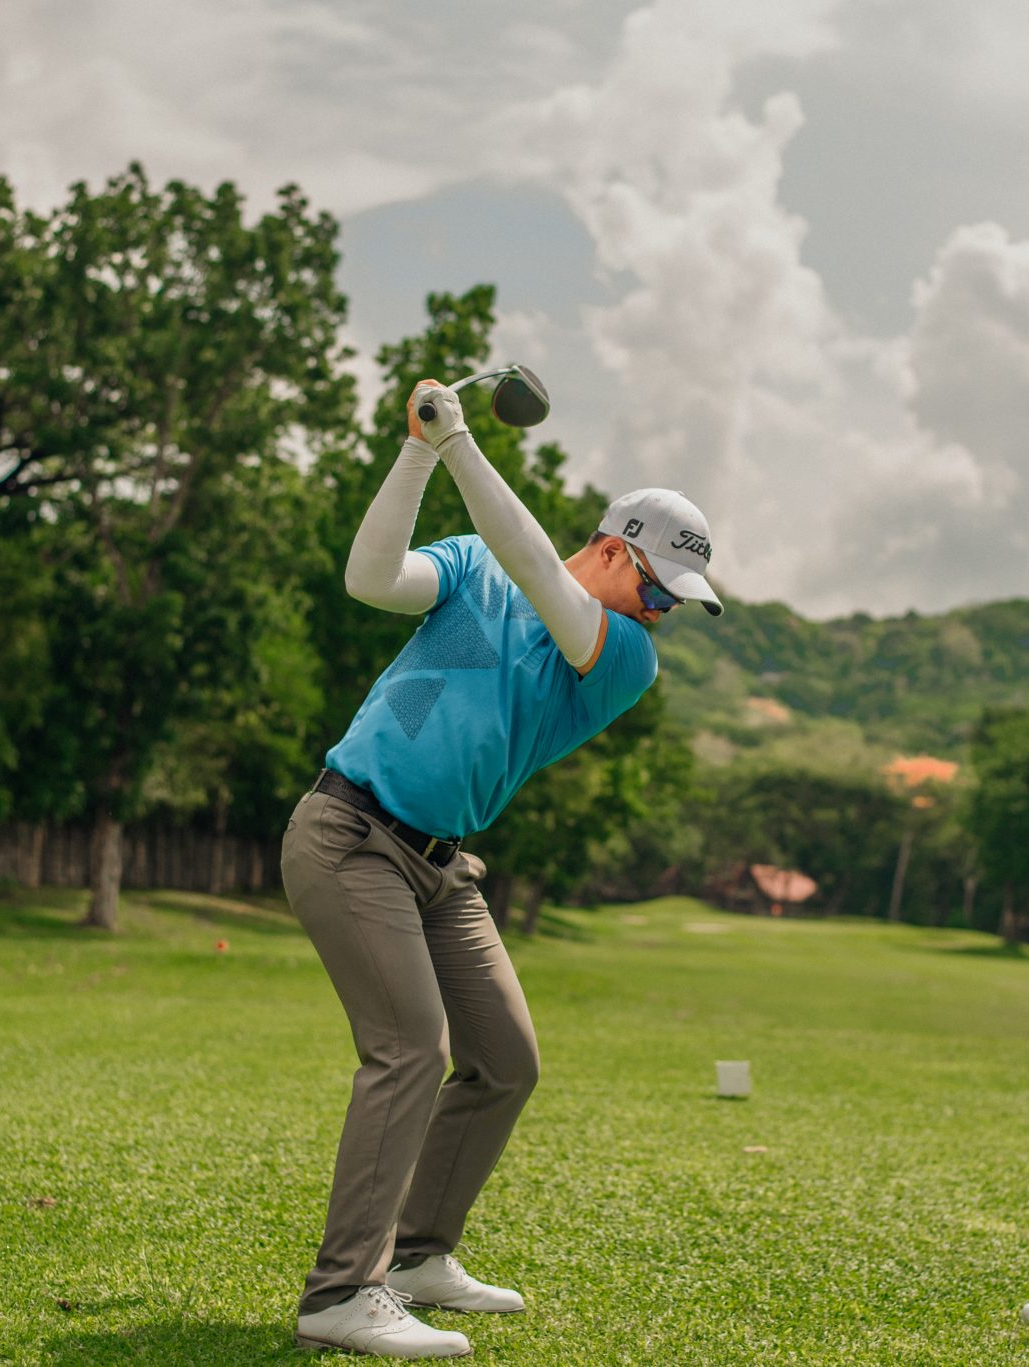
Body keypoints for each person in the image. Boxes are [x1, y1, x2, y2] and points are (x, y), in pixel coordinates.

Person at [285, 378, 722, 1358]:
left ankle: (416, 1255)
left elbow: (535, 564)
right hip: (349, 834)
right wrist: (416, 449)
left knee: (506, 1058)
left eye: (673, 606)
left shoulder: (619, 658)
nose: (660, 614)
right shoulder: (470, 565)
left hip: (441, 867)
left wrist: (459, 444)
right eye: (657, 590)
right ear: (615, 549)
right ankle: (337, 1294)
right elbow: (368, 577)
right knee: (409, 1048)